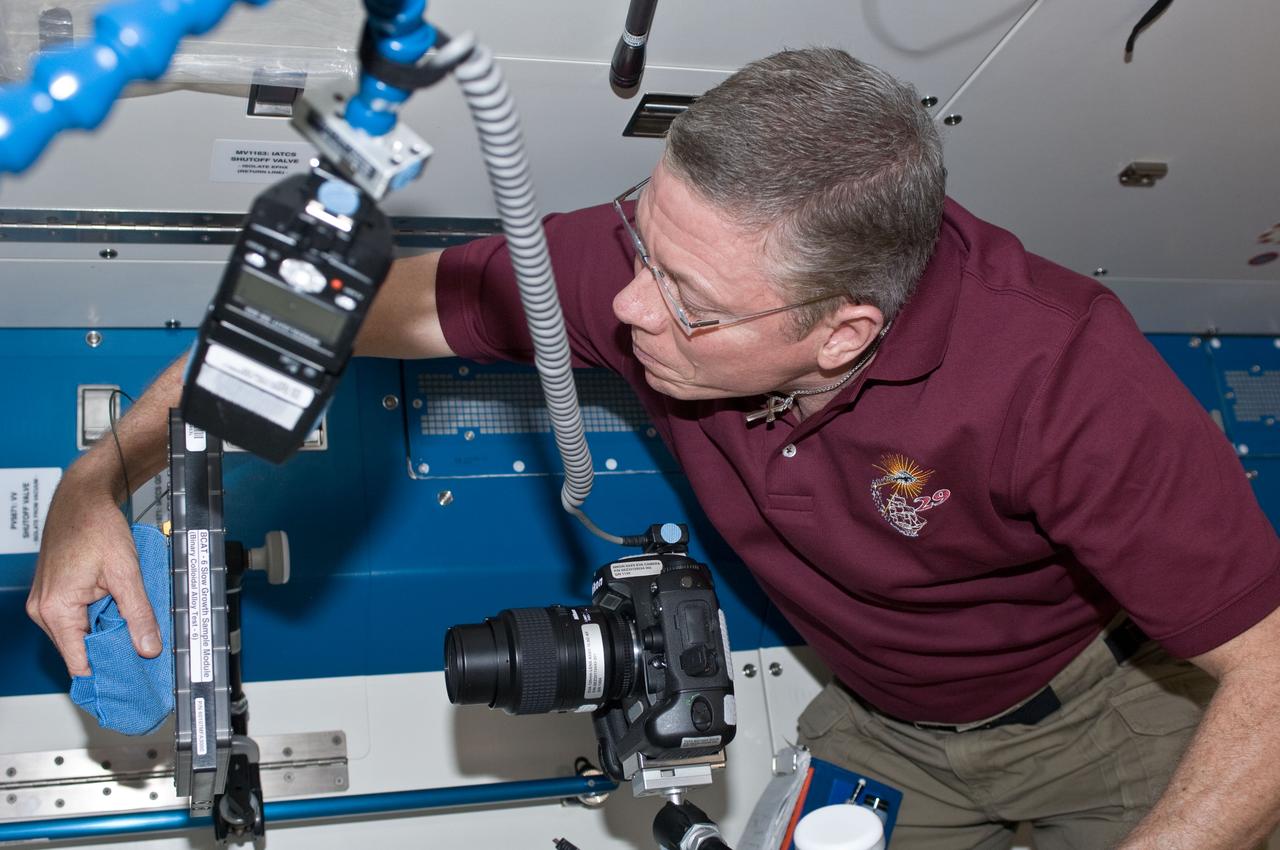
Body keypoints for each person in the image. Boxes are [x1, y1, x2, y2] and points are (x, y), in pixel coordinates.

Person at [27, 48, 1280, 849]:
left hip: (1102, 720)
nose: (625, 312)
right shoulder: (626, 278)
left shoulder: (1059, 372)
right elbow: (320, 317)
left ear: (841, 331)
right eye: (640, 245)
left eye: (686, 302)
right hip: (883, 723)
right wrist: (105, 476)